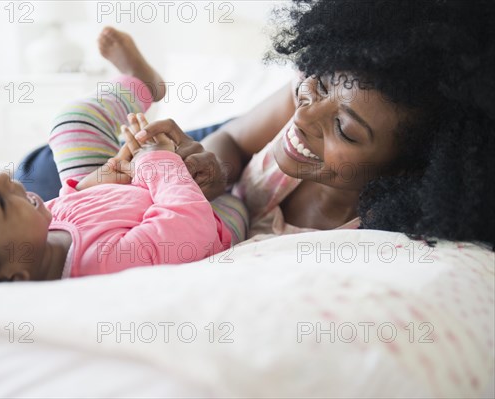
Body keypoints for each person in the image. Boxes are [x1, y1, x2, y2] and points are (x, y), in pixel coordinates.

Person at [0, 28, 249, 286]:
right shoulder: (102, 267)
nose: (4, 179)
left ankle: (141, 83)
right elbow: (190, 228)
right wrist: (157, 163)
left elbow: (74, 205)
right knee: (238, 181)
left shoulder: (41, 235)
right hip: (205, 214)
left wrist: (103, 179)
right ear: (13, 277)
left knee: (70, 124)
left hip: (146, 190)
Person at [133, 0, 494, 248]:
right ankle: (139, 81)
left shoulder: (363, 239)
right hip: (233, 151)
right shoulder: (302, 105)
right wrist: (214, 174)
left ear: (406, 171)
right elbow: (231, 137)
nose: (304, 116)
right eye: (320, 82)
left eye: (345, 130)